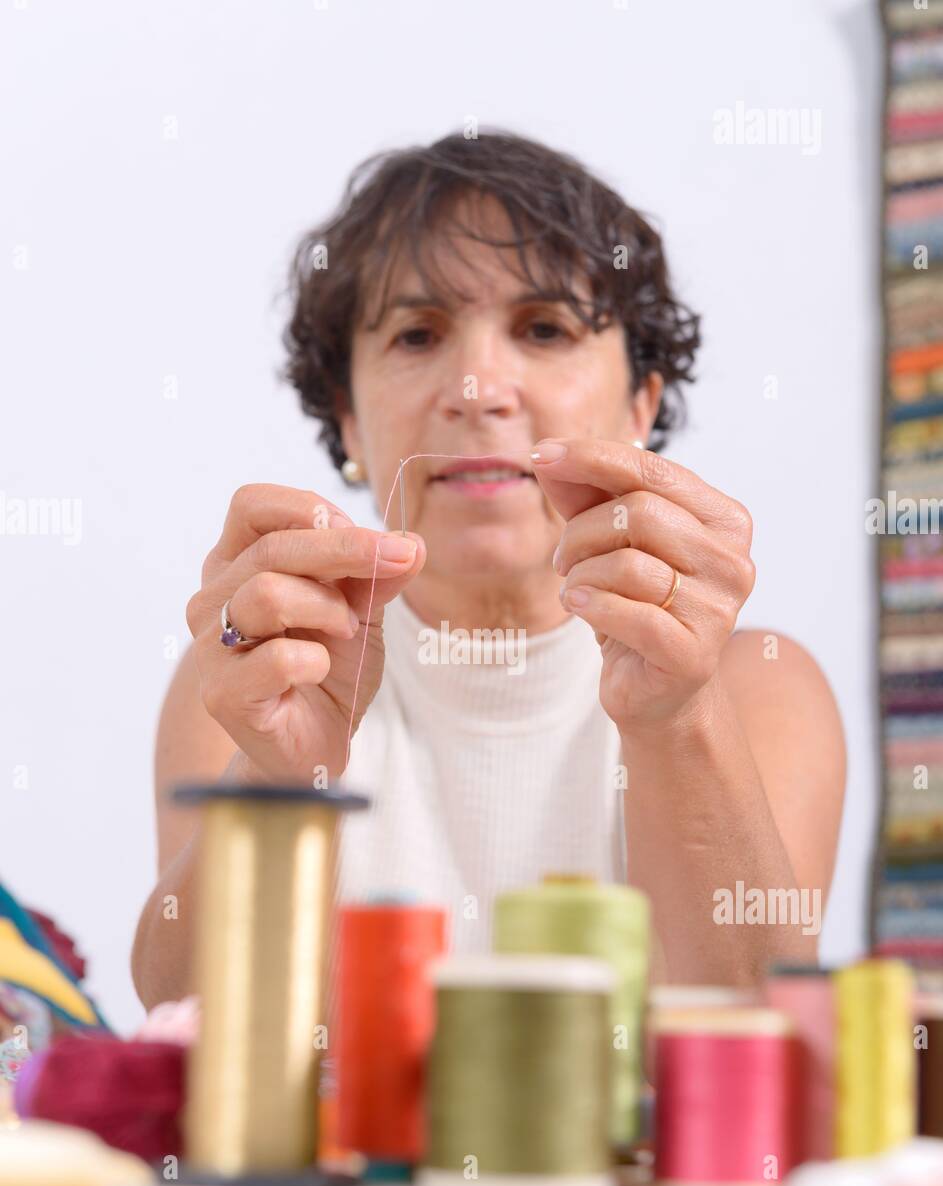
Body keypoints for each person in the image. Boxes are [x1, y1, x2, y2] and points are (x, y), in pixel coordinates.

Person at [132, 130, 846, 1008]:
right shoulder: (264, 671)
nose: (476, 388)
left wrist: (676, 716)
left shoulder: (757, 685)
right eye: (417, 333)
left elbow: (751, 1033)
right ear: (349, 422)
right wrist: (281, 778)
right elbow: (178, 1014)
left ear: (640, 405)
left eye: (542, 327)